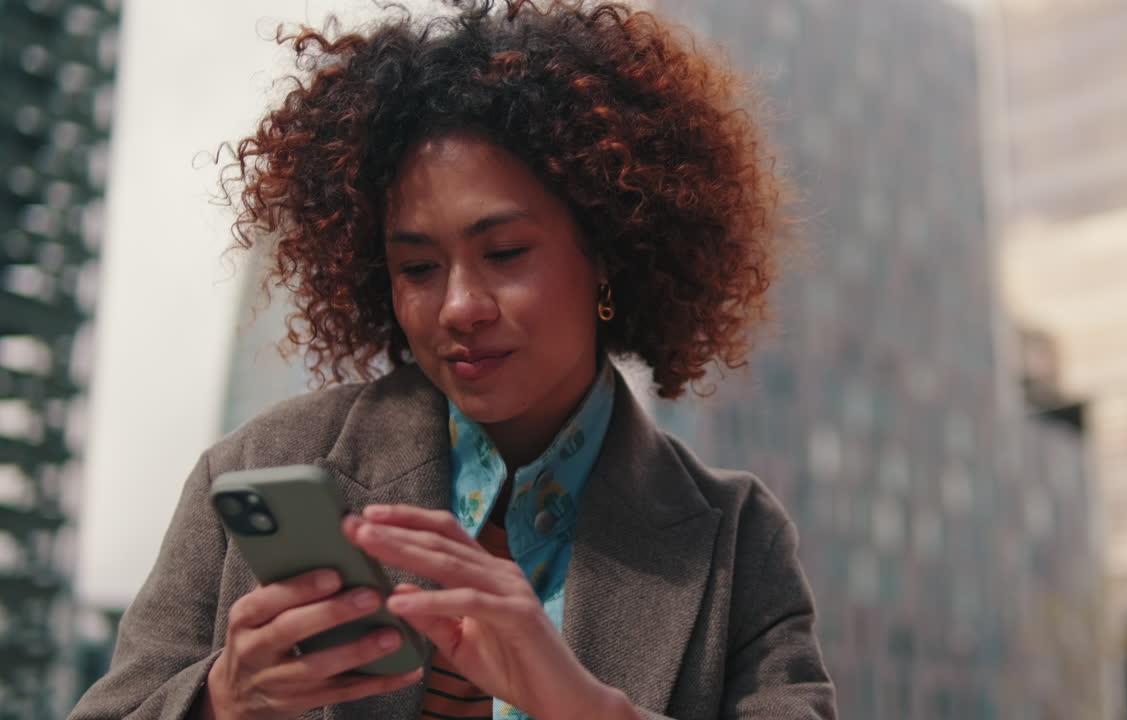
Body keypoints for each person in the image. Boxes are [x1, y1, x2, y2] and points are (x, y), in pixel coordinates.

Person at [70, 1, 835, 718]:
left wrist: (585, 708)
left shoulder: (739, 540)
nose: (459, 306)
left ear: (606, 249)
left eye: (503, 253)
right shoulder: (255, 467)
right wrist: (219, 701)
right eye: (418, 268)